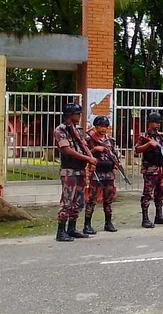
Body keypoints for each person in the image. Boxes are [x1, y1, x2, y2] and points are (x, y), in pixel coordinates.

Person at [53, 103, 97, 242]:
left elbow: (84, 146)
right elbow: (67, 150)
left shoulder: (77, 130)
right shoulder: (60, 130)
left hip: (80, 170)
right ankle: (61, 231)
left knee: (79, 201)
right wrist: (88, 158)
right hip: (69, 171)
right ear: (70, 115)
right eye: (78, 113)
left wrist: (91, 159)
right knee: (67, 201)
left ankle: (72, 228)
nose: (80, 116)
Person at [135, 112, 163, 228]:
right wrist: (148, 145)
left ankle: (159, 215)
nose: (158, 125)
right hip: (150, 169)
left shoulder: (161, 136)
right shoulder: (144, 136)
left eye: (159, 123)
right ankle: (145, 218)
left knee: (160, 193)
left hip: (161, 169)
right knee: (147, 194)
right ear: (150, 123)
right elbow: (137, 150)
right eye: (155, 123)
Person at [83, 115, 118, 234]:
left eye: (105, 126)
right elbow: (84, 154)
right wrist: (95, 150)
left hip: (109, 173)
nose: (103, 129)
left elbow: (115, 154)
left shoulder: (110, 140)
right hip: (96, 173)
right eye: (101, 126)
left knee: (108, 200)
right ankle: (87, 224)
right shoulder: (89, 139)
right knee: (92, 200)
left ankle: (108, 223)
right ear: (96, 126)